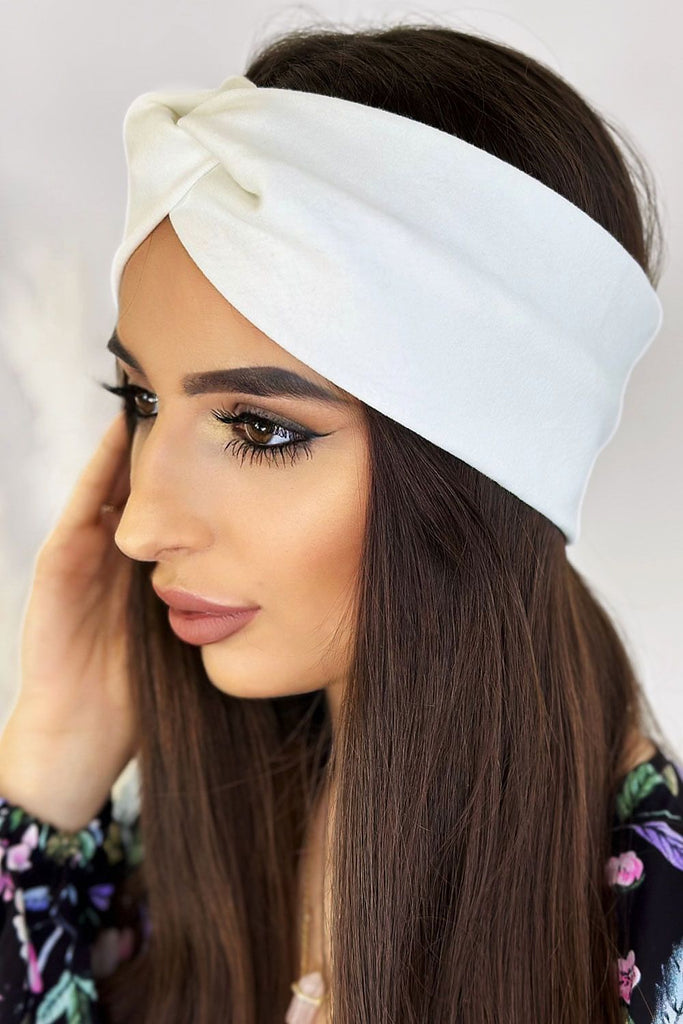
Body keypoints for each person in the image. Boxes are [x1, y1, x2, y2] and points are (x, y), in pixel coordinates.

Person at [0, 20, 679, 1024]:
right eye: (139, 400)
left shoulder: (648, 931)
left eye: (260, 429)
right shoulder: (155, 847)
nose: (139, 527)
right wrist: (47, 771)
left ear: (479, 475)